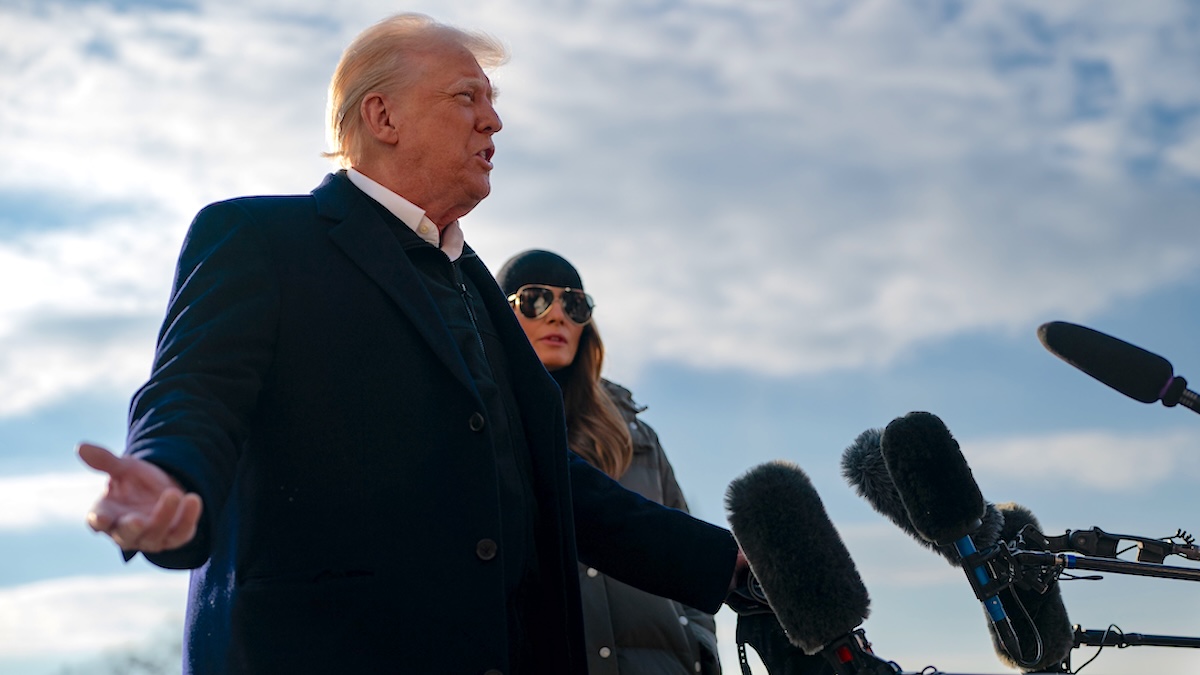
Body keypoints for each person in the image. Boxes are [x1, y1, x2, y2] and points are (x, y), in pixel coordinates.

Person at [77, 13, 741, 675]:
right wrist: (166, 474)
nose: (493, 122)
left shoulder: (479, 291)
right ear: (382, 116)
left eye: (492, 102)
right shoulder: (259, 238)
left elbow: (557, 486)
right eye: (465, 98)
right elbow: (194, 394)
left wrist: (731, 562)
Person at [497, 249, 721, 675]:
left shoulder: (637, 437)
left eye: (574, 303)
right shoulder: (487, 433)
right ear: (501, 315)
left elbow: (684, 547)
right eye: (535, 299)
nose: (557, 315)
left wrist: (701, 648)